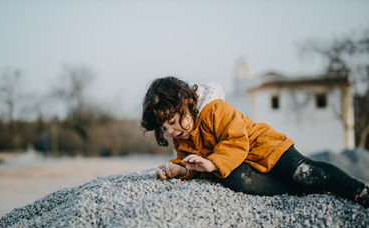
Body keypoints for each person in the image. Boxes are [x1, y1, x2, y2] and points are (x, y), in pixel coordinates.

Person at [141, 76, 369, 208]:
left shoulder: (215, 110)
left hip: (268, 148)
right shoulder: (183, 140)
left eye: (173, 121)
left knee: (303, 172)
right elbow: (192, 164)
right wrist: (181, 169)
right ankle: (293, 191)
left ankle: (356, 189)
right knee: (235, 179)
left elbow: (236, 141)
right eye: (164, 128)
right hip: (242, 165)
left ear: (187, 102)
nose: (171, 131)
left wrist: (211, 163)